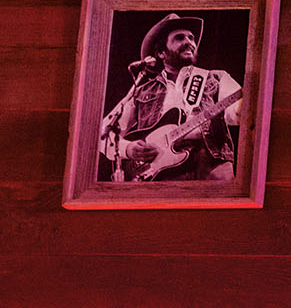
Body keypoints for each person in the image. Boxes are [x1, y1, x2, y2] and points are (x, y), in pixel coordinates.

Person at [101, 13, 244, 184]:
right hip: (158, 176)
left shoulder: (215, 78)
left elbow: (237, 113)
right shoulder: (141, 91)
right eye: (179, 37)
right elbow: (104, 132)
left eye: (191, 38)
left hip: (210, 168)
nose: (189, 42)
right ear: (161, 52)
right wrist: (128, 149)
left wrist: (244, 106)